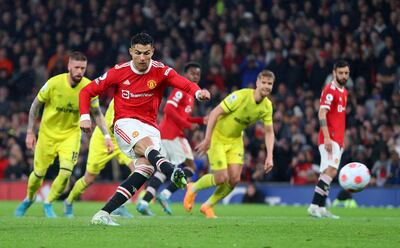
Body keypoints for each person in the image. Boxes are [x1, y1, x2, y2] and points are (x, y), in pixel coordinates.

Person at [79, 33, 210, 226]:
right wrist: (84, 116)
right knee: (148, 147)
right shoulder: (118, 71)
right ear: (131, 52)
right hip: (124, 123)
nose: (142, 58)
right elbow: (87, 91)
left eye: (146, 53)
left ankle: (103, 214)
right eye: (138, 53)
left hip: (150, 127)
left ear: (152, 52)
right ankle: (171, 170)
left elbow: (182, 82)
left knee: (145, 170)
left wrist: (197, 92)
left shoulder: (161, 71)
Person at [15, 52, 111, 218]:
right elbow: (35, 105)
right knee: (38, 174)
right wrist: (30, 131)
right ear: (69, 67)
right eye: (76, 67)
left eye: (83, 68)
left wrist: (107, 136)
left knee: (66, 172)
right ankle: (29, 198)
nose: (79, 71)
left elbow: (97, 113)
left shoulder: (89, 87)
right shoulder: (53, 83)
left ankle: (49, 203)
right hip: (47, 135)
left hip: (71, 135)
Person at [184, 70, 275, 218]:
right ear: (257, 83)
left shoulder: (267, 106)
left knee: (234, 180)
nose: (266, 86)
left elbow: (269, 132)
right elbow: (214, 113)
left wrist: (270, 156)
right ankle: (193, 187)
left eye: (269, 84)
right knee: (221, 178)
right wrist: (207, 139)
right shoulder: (241, 96)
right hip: (218, 137)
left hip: (235, 140)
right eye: (263, 83)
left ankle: (207, 206)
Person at [136, 62, 206, 216]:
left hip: (165, 135)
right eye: (192, 74)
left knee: (162, 170)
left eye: (198, 74)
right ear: (185, 75)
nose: (195, 77)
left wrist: (200, 121)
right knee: (191, 167)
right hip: (173, 135)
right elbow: (168, 109)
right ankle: (166, 195)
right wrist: (188, 124)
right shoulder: (181, 90)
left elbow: (183, 116)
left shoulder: (190, 95)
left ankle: (143, 202)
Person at [64, 99, 135, 218]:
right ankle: (69, 201)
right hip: (103, 138)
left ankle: (118, 203)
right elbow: (114, 126)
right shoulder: (121, 97)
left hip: (122, 140)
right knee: (89, 178)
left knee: (138, 169)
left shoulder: (141, 95)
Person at [307, 60, 350, 219]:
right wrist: (327, 137)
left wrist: (341, 140)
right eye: (341, 73)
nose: (344, 76)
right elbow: (321, 113)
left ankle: (320, 207)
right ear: (334, 73)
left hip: (336, 139)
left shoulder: (344, 92)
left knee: (327, 173)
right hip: (329, 137)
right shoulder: (330, 90)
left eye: (346, 73)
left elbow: (339, 118)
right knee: (331, 171)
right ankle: (313, 206)